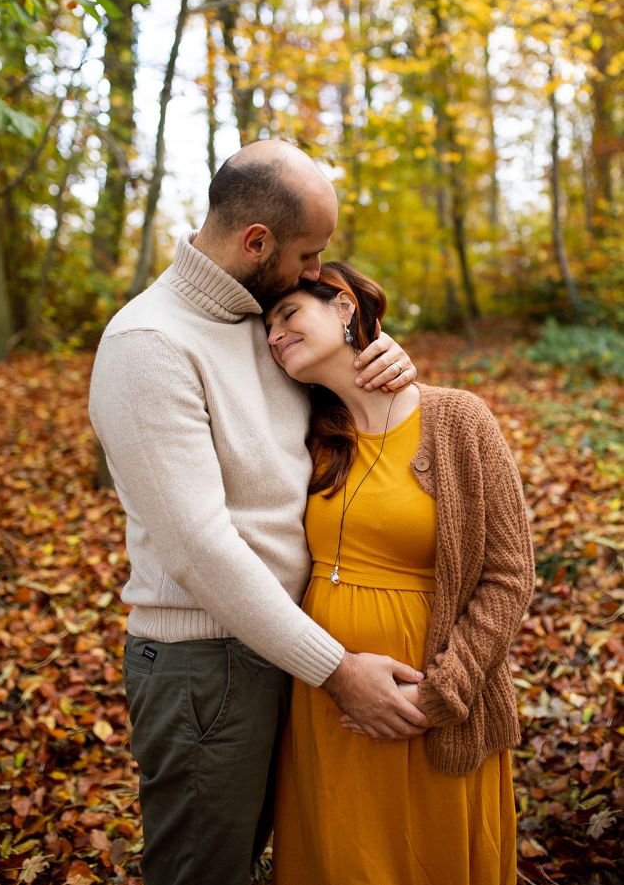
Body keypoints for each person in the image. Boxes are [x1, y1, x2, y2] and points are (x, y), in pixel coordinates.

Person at [88, 139, 428, 885]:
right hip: (207, 665)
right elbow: (201, 549)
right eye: (309, 255)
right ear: (256, 242)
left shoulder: (262, 322)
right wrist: (336, 671)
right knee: (205, 871)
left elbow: (345, 404)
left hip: (283, 646)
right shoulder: (149, 345)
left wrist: (386, 361)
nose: (315, 272)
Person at [265, 262, 535, 885]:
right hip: (324, 699)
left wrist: (440, 694)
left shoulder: (459, 421)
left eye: (289, 315)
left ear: (342, 307)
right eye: (268, 329)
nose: (275, 336)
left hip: (429, 703)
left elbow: (509, 573)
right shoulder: (304, 431)